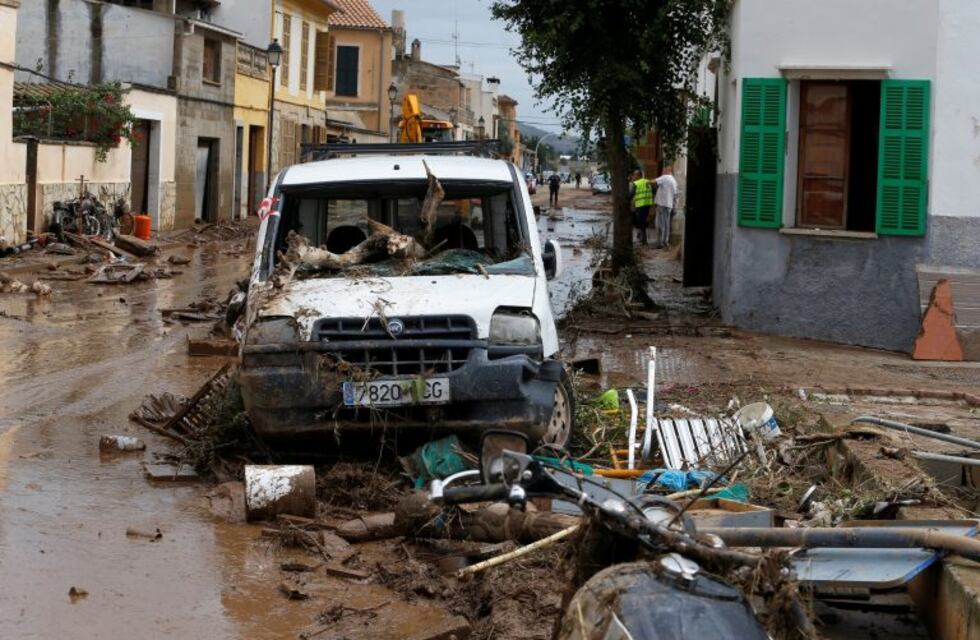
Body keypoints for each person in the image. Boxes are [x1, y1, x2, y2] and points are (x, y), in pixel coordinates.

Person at [653, 166, 678, 248]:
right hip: (668, 205)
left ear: (667, 171)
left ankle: (661, 243)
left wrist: (645, 181)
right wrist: (674, 206)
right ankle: (665, 242)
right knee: (666, 224)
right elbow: (675, 195)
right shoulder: (673, 180)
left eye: (663, 171)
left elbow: (653, 181)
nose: (662, 173)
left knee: (660, 224)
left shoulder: (665, 177)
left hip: (662, 205)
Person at [629, 169, 654, 244]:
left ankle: (644, 239)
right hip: (648, 204)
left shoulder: (636, 183)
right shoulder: (647, 181)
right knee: (642, 221)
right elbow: (654, 190)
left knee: (640, 222)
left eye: (635, 175)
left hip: (640, 204)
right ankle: (642, 238)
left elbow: (631, 194)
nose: (634, 176)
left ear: (639, 175)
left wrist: (626, 200)